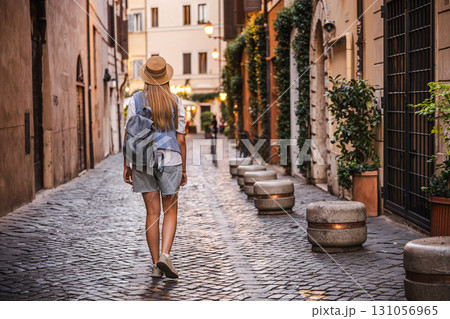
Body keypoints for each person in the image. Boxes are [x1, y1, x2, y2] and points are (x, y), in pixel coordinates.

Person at [123, 56, 187, 279]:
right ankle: (165, 255)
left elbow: (130, 134)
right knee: (171, 211)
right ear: (166, 77)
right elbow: (180, 139)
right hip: (170, 160)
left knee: (152, 213)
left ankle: (154, 264)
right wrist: (184, 169)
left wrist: (127, 165)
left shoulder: (135, 100)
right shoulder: (176, 101)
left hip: (143, 161)